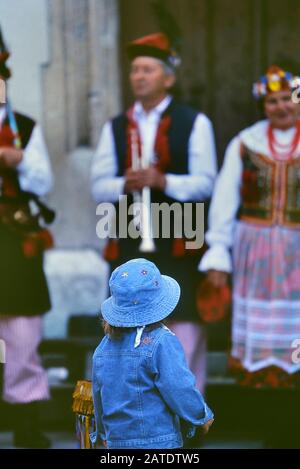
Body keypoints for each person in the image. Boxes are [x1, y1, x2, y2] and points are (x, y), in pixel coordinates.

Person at [90, 32, 217, 392]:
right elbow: (98, 184)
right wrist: (123, 184)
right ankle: (138, 414)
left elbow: (206, 182)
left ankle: (190, 418)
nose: (139, 77)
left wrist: (163, 181)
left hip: (181, 233)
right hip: (130, 235)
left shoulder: (195, 122)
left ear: (168, 77)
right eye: (134, 70)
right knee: (129, 325)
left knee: (185, 327)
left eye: (147, 69)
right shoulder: (115, 126)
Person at [199, 65, 300, 446]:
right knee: (264, 342)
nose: (280, 107)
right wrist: (218, 254)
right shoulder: (245, 142)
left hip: (298, 253)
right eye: (271, 101)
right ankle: (271, 427)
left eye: (286, 98)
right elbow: (224, 200)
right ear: (263, 106)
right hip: (256, 254)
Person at [91, 258, 214, 449]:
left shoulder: (104, 347)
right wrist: (200, 415)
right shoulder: (161, 341)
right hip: (159, 441)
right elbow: (178, 386)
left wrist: (100, 432)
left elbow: (98, 394)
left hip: (117, 441)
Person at [0, 28, 54, 448]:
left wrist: (17, 160)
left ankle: (26, 423)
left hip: (14, 242)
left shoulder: (24, 127)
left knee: (21, 334)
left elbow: (44, 179)